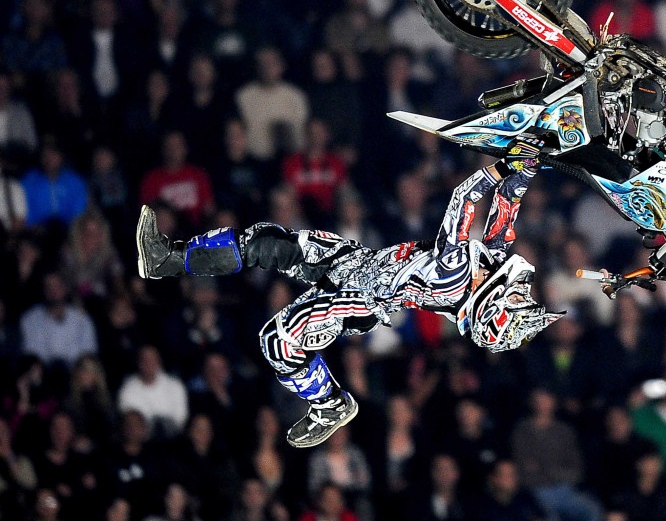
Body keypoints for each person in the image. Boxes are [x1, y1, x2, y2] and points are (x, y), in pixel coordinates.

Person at [136, 137, 562, 448]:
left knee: (277, 340)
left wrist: (503, 165)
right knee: (267, 242)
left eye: (518, 300)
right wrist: (527, 168)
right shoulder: (489, 262)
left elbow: (463, 198)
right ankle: (166, 260)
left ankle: (329, 403)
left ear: (493, 306)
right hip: (356, 262)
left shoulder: (455, 275)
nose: (522, 290)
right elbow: (506, 208)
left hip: (360, 299)